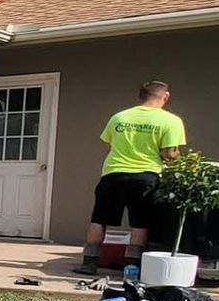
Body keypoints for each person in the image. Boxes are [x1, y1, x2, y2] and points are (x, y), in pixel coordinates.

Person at [79, 81, 186, 275]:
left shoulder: (119, 117)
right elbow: (169, 153)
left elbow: (109, 146)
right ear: (166, 96)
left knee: (99, 219)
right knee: (140, 222)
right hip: (146, 176)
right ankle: (132, 265)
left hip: (113, 174)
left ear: (141, 96)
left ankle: (89, 263)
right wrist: (177, 155)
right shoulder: (171, 120)